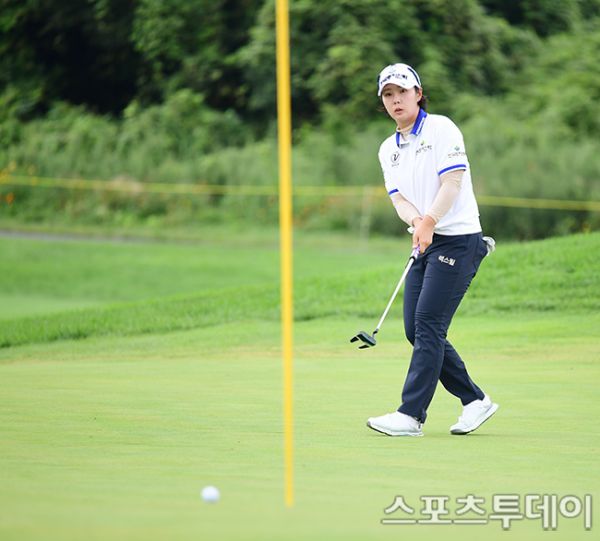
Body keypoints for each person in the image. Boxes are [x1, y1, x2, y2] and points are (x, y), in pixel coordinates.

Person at [366, 63, 498, 437]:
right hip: (426, 239)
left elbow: (452, 182)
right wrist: (416, 221)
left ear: (418, 94)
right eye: (388, 95)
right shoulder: (387, 149)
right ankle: (475, 399)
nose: (396, 100)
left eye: (402, 92)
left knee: (428, 324)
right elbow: (399, 198)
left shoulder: (441, 128)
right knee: (416, 328)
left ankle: (411, 415)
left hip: (458, 239)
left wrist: (429, 221)